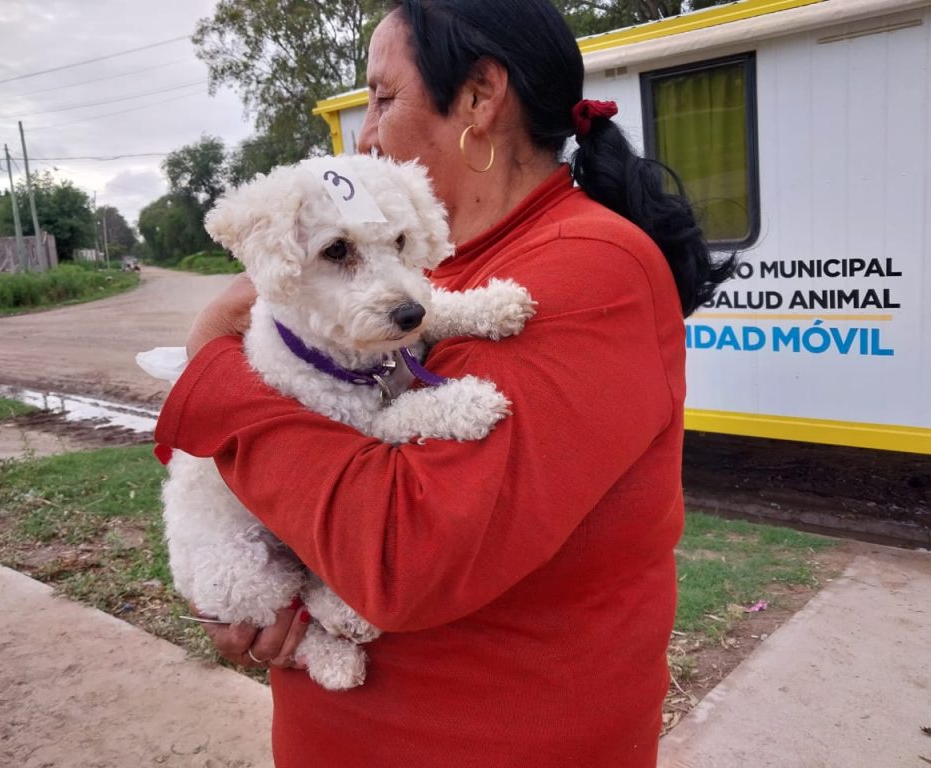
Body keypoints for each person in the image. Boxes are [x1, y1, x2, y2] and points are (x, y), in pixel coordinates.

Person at [155, 0, 734, 765]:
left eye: (383, 97)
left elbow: (398, 555)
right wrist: (251, 575)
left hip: (485, 739)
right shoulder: (441, 270)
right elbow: (307, 471)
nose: (364, 132)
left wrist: (214, 369)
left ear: (479, 98)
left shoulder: (590, 268)